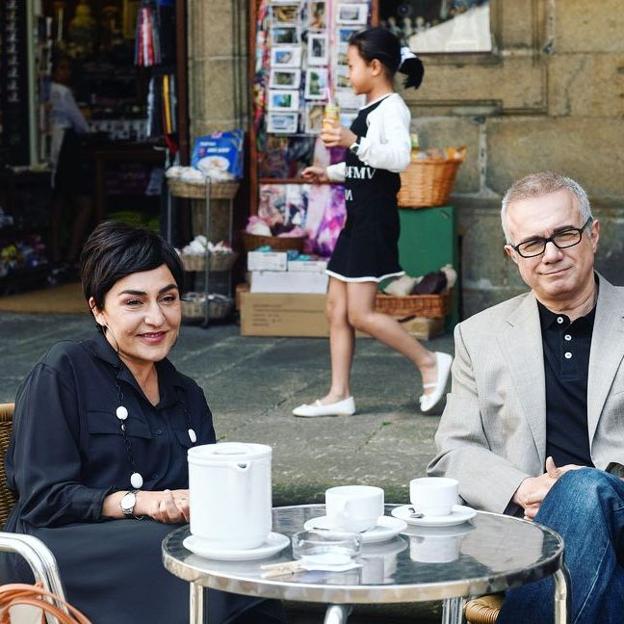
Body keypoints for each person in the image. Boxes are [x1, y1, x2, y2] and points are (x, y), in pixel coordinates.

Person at [1, 222, 286, 624]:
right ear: (98, 309)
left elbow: (202, 493)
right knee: (182, 558)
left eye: (167, 299)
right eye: (134, 303)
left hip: (150, 545)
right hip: (60, 550)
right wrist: (142, 502)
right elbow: (45, 499)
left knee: (242, 554)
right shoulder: (64, 370)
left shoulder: (187, 394)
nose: (157, 317)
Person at [428, 171, 624, 624]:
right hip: (527, 533)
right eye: (533, 243)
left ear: (593, 234)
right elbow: (453, 453)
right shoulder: (480, 335)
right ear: (512, 256)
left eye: (565, 234)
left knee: (584, 489)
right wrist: (525, 488)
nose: (551, 254)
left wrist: (583, 484)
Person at [293, 27, 452, 418]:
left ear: (375, 66)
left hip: (373, 222)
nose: (349, 74)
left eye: (351, 65)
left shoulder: (392, 108)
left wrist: (352, 140)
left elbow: (397, 158)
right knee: (335, 308)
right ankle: (339, 394)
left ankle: (430, 362)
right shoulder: (370, 111)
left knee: (360, 312)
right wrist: (328, 174)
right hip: (357, 219)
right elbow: (366, 165)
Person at [48, 54, 94, 278]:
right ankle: (71, 254)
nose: (66, 73)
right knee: (83, 202)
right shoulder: (62, 92)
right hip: (68, 146)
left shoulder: (45, 90)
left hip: (51, 145)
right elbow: (80, 124)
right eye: (62, 68)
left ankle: (57, 252)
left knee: (58, 202)